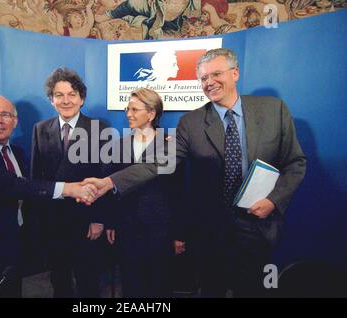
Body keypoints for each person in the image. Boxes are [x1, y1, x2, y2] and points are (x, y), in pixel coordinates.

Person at [83, 48, 307, 297]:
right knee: (211, 289)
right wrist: (110, 182)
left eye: (216, 74)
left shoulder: (273, 110)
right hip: (210, 230)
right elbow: (158, 163)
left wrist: (273, 201)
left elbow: (295, 163)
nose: (209, 82)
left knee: (252, 290)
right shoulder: (191, 123)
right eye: (203, 78)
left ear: (235, 73)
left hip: (257, 225)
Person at [0, 95, 95, 297]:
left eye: (5, 115)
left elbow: (30, 192)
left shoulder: (16, 152)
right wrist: (69, 189)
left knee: (9, 292)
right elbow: (10, 185)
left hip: (10, 246)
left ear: (14, 122)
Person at [30, 68, 109, 298]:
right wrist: (39, 222)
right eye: (59, 95)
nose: (66, 100)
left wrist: (98, 219)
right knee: (59, 280)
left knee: (89, 281)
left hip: (86, 220)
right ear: (51, 100)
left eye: (72, 94)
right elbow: (36, 179)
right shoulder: (40, 129)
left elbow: (105, 179)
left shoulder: (99, 129)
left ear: (81, 99)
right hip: (53, 222)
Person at [104, 88, 180, 297]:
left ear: (152, 113)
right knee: (130, 283)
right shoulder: (118, 145)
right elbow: (111, 188)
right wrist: (111, 222)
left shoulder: (171, 146)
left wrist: (179, 234)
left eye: (135, 109)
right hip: (127, 227)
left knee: (158, 286)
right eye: (127, 109)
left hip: (160, 230)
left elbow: (180, 193)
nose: (129, 113)